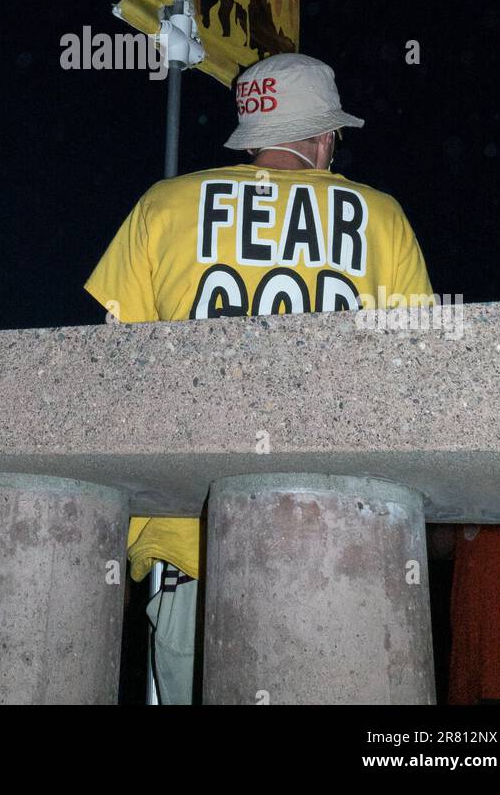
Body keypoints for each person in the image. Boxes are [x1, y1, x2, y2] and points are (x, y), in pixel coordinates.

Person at [84, 51, 434, 704]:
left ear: (251, 132)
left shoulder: (163, 206)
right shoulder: (383, 218)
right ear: (325, 135)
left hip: (192, 540)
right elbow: (412, 384)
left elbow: (115, 373)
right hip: (342, 537)